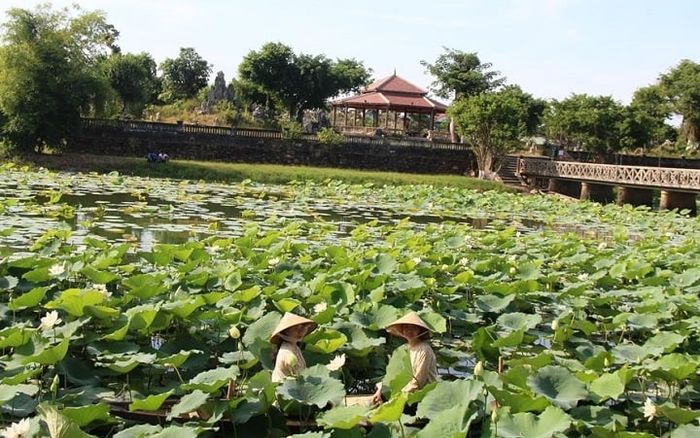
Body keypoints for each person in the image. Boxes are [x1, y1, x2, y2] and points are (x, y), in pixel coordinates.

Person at [372, 312, 438, 405]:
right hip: (404, 390)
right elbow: (393, 376)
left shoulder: (424, 349)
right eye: (406, 327)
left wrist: (398, 397)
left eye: (413, 328)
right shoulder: (404, 349)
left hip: (421, 395)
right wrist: (380, 390)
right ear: (402, 329)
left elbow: (419, 380)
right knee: (380, 390)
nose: (409, 331)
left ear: (420, 330)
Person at [270, 313, 318, 383]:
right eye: (296, 328)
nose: (301, 332)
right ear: (285, 331)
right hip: (285, 388)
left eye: (304, 328)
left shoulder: (294, 347)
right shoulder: (287, 353)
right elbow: (298, 378)